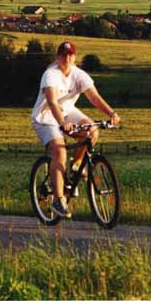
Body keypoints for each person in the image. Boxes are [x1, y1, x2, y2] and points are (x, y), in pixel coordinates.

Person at [31, 41, 120, 218]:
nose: (67, 58)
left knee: (92, 130)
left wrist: (112, 113)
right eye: (63, 55)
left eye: (70, 55)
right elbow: (52, 102)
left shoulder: (79, 74)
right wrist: (62, 123)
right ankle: (58, 200)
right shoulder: (51, 74)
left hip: (67, 112)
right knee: (60, 152)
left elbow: (94, 97)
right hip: (46, 117)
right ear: (58, 57)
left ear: (75, 57)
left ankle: (76, 165)